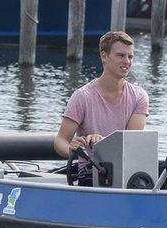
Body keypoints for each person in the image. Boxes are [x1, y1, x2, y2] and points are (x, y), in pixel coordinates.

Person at [54, 31, 149, 160]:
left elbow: (130, 143)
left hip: (127, 170)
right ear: (104, 56)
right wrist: (71, 150)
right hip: (91, 171)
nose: (127, 61)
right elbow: (61, 141)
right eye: (121, 55)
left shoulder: (139, 96)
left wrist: (103, 142)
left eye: (130, 57)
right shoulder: (82, 96)